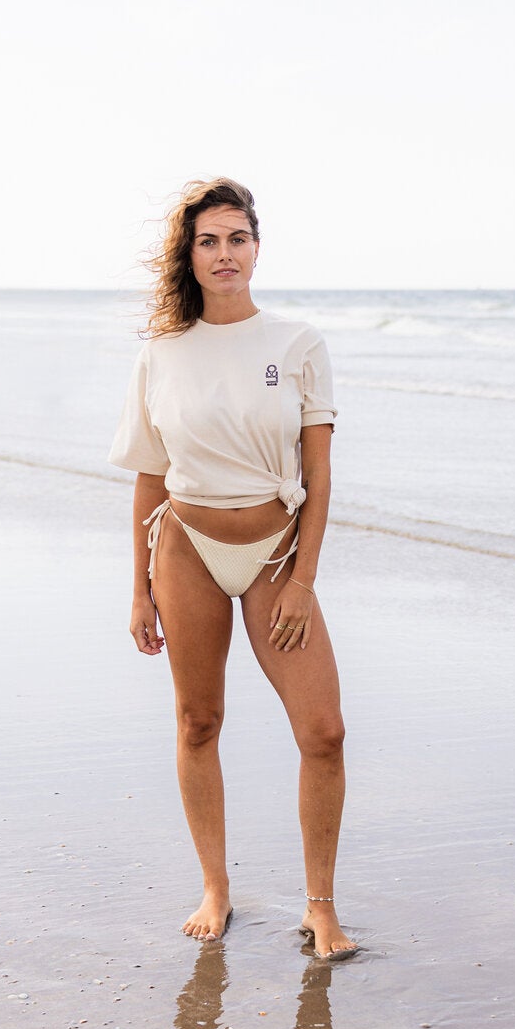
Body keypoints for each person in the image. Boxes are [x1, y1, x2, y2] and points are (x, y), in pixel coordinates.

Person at [109, 177, 356, 960]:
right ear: (190, 253)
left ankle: (321, 907)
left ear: (257, 247)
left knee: (323, 731)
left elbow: (318, 477)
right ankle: (215, 888)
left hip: (275, 555)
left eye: (237, 239)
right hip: (184, 546)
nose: (224, 254)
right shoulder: (162, 353)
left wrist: (303, 579)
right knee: (198, 721)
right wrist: (139, 588)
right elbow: (149, 475)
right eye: (209, 240)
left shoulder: (296, 343)